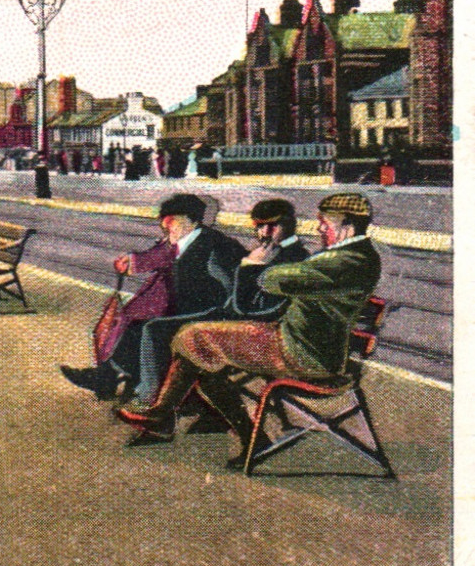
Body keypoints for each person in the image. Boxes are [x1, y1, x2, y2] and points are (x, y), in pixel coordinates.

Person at [117, 193, 382, 462]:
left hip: (302, 352)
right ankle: (187, 420)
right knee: (199, 347)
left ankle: (166, 414)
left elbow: (276, 281)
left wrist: (253, 266)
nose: (319, 229)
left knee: (193, 339)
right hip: (302, 343)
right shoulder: (349, 256)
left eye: (325, 223)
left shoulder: (346, 260)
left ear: (345, 225)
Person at [60, 193, 244, 402]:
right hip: (183, 308)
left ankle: (116, 381)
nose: (165, 227)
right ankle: (111, 378)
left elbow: (231, 288)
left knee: (143, 329)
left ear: (190, 220)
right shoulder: (186, 240)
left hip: (200, 314)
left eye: (171, 221)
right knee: (135, 328)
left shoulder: (210, 244)